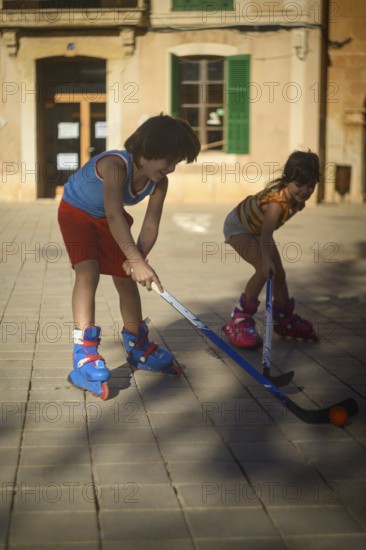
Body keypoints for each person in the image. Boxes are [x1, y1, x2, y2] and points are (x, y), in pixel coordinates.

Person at [58, 114, 201, 398]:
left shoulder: (159, 182)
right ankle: (84, 352)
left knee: (126, 278)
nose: (171, 168)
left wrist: (139, 259)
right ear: (147, 151)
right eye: (168, 160)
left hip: (107, 218)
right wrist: (134, 258)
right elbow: (114, 213)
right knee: (88, 272)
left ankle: (137, 344)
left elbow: (150, 225)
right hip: (76, 212)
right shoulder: (114, 166)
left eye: (176, 162)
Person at [222, 150, 319, 348]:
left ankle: (284, 319)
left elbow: (265, 233)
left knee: (279, 273)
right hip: (239, 226)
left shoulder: (297, 200)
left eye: (311, 185)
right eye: (299, 185)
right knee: (264, 270)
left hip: (257, 230)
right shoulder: (277, 203)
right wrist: (266, 261)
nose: (305, 191)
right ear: (287, 180)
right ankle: (238, 319)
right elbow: (267, 234)